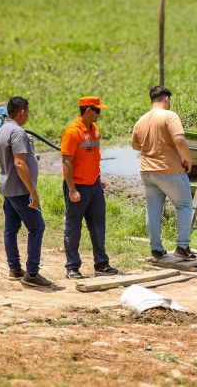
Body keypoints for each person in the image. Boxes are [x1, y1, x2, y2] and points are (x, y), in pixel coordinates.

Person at [131, 86, 196, 261]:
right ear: (166, 99)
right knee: (184, 206)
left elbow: (135, 145)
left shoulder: (141, 120)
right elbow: (180, 140)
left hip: (147, 171)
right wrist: (187, 159)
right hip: (169, 169)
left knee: (153, 209)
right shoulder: (170, 116)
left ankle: (156, 249)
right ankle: (183, 246)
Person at [0, 96, 53, 288]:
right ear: (22, 112)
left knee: (11, 229)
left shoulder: (2, 129)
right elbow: (20, 163)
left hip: (7, 187)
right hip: (20, 189)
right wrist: (33, 193)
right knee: (37, 228)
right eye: (27, 111)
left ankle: (14, 268)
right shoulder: (18, 132)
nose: (28, 115)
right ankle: (32, 273)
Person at [61, 96, 118, 279]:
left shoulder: (95, 130)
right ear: (88, 110)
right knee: (73, 227)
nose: (99, 114)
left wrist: (98, 179)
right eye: (97, 110)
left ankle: (101, 264)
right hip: (77, 187)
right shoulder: (72, 132)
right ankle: (72, 267)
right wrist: (72, 189)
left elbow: (94, 157)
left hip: (94, 186)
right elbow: (66, 163)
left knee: (98, 226)